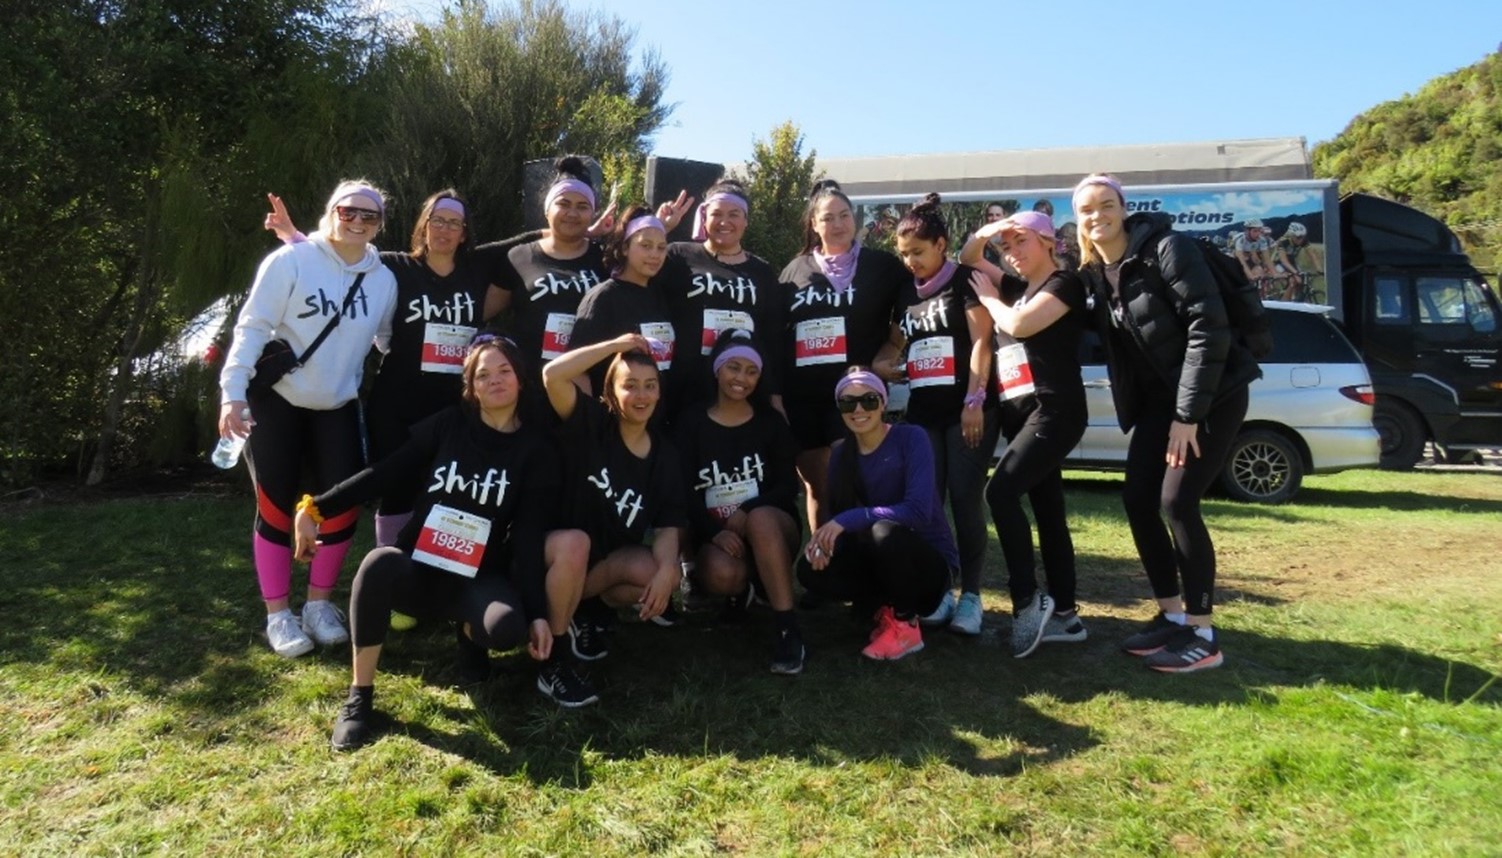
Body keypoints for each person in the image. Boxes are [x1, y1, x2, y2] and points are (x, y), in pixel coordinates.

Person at [295, 337, 597, 750]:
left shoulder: (536, 450)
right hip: (419, 566)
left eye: (504, 371)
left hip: (478, 575)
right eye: (483, 375)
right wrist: (316, 509)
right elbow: (387, 472)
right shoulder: (448, 425)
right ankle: (360, 699)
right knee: (378, 564)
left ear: (521, 380)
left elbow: (528, 536)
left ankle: (470, 637)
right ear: (470, 388)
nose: (495, 381)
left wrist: (540, 613)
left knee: (506, 629)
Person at [1072, 174, 1260, 672]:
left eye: (1106, 205)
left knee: (1177, 502)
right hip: (1161, 403)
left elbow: (1208, 327)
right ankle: (1172, 617)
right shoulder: (1098, 272)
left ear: (1123, 208)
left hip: (1212, 397)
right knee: (1137, 500)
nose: (1097, 216)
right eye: (1087, 209)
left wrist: (1187, 415)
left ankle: (1203, 633)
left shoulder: (1168, 249)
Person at [218, 180, 398, 657]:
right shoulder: (291, 261)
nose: (358, 222)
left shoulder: (383, 279)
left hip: (337, 404)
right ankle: (279, 614)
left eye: (370, 216)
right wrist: (231, 394)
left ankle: (318, 605)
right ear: (331, 211)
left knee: (340, 507)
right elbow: (252, 327)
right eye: (349, 211)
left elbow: (388, 340)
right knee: (276, 508)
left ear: (381, 223)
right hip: (278, 400)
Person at [966, 211, 1090, 658]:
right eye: (1007, 248)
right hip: (1023, 414)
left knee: (999, 494)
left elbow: (1018, 325)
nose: (1013, 254)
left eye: (1022, 243)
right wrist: (988, 234)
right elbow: (968, 258)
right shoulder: (1017, 286)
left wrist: (991, 301)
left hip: (1055, 412)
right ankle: (1067, 617)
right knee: (1048, 509)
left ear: (1048, 242)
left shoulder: (1064, 285)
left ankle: (1027, 601)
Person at [873, 193, 998, 636]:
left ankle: (974, 597)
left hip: (967, 412)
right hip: (923, 415)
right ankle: (943, 588)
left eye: (918, 252)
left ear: (941, 244)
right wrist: (882, 365)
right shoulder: (905, 291)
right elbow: (894, 342)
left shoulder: (965, 280)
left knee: (965, 501)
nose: (911, 262)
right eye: (904, 254)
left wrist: (974, 400)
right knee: (928, 505)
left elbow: (983, 341)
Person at [542, 332, 690, 658]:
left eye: (650, 385)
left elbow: (668, 524)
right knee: (577, 548)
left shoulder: (664, 455)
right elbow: (552, 375)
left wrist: (668, 569)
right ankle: (556, 636)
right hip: (558, 555)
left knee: (658, 573)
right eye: (630, 385)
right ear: (612, 389)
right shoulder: (592, 423)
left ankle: (585, 608)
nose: (641, 395)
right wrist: (614, 346)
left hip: (603, 563)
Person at [797, 368, 955, 661]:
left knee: (884, 531)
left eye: (868, 400)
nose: (858, 409)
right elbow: (842, 522)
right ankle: (883, 607)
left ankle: (906, 625)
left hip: (927, 567)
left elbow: (919, 511)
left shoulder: (911, 438)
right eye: (847, 403)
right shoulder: (841, 456)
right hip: (878, 558)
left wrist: (849, 519)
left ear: (883, 403)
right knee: (808, 570)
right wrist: (823, 548)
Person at [673, 329, 804, 673]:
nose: (741, 379)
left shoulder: (771, 423)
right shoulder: (690, 423)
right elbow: (684, 491)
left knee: (761, 518)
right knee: (721, 574)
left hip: (773, 527)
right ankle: (744, 590)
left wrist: (747, 509)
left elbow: (787, 485)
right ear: (717, 369)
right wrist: (713, 531)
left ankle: (787, 627)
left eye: (752, 371)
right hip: (718, 534)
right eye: (733, 367)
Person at [781, 180, 905, 532]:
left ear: (854, 218)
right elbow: (778, 331)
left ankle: (858, 556)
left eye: (844, 215)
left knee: (847, 474)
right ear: (814, 224)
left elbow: (912, 310)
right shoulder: (794, 271)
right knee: (817, 486)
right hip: (802, 397)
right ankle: (824, 566)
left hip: (854, 392)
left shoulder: (882, 266)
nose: (837, 224)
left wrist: (890, 351)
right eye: (828, 218)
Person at [656, 179, 786, 419]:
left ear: (746, 220)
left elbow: (773, 338)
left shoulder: (762, 271)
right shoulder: (677, 256)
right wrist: (659, 228)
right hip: (682, 391)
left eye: (734, 214)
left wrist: (774, 396)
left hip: (741, 393)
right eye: (716, 214)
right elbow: (631, 270)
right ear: (704, 218)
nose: (725, 222)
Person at [570, 208, 678, 404]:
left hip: (654, 419)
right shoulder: (604, 297)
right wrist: (590, 419)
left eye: (661, 247)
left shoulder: (661, 295)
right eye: (646, 245)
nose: (655, 254)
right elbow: (577, 369)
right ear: (625, 247)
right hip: (612, 420)